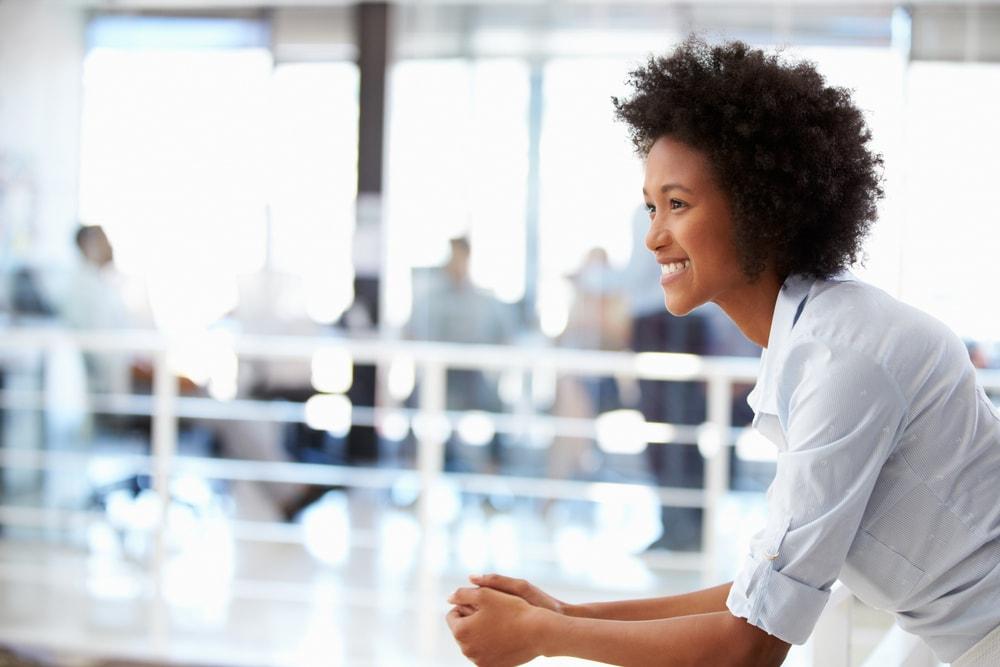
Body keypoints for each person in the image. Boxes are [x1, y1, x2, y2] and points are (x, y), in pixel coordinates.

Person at [445, 37, 1000, 666]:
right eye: (652, 207)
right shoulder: (816, 336)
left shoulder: (842, 358)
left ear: (761, 208)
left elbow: (750, 649)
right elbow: (756, 599)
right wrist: (564, 614)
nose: (654, 237)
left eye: (677, 204)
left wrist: (545, 638)